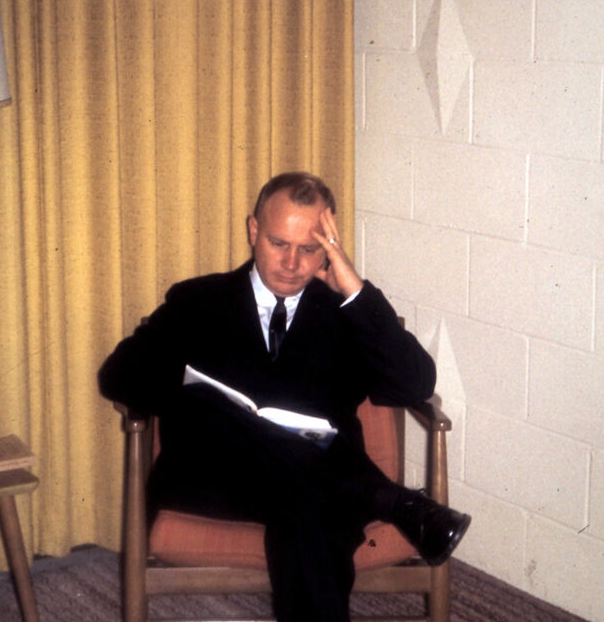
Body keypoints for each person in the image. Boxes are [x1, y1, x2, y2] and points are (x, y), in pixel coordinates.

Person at [99, 172, 470, 622]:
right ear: (254, 230)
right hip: (214, 478)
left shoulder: (345, 314)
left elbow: (415, 385)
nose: (292, 262)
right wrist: (192, 392)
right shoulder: (198, 302)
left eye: (309, 248)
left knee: (307, 506)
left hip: (313, 489)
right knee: (233, 423)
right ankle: (391, 500)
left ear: (329, 247)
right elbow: (118, 376)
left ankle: (378, 498)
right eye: (279, 243)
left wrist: (354, 290)